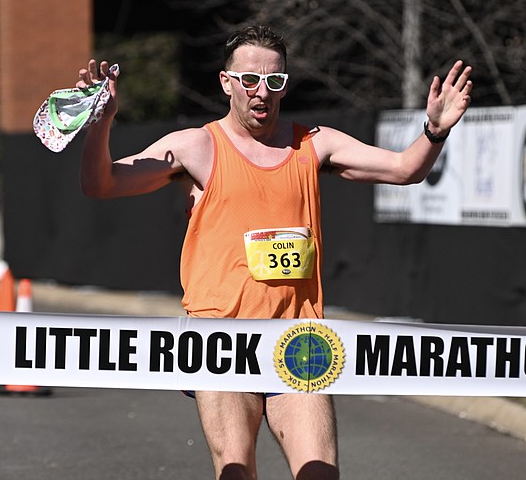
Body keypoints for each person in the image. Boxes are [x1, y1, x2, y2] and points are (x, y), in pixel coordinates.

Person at [76, 25, 472, 480]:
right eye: (249, 81)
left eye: (274, 82)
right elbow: (99, 184)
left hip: (297, 340)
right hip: (220, 341)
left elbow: (404, 169)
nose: (261, 93)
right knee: (235, 470)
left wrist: (434, 131)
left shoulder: (313, 143)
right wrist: (101, 124)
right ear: (227, 83)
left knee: (320, 474)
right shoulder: (195, 147)